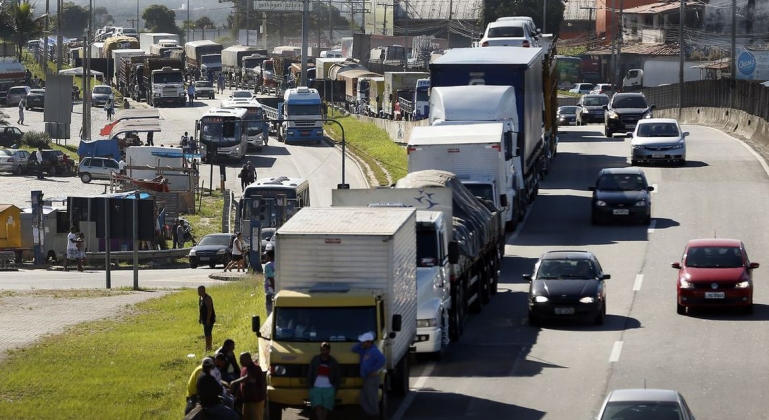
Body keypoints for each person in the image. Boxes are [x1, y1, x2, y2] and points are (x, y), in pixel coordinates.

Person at [351, 332, 386, 417]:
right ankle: (371, 414)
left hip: (372, 379)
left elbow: (382, 359)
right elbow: (354, 349)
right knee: (362, 399)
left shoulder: (374, 351)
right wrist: (361, 343)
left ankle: (375, 415)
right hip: (366, 379)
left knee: (372, 399)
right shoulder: (364, 350)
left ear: (369, 342)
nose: (362, 343)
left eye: (364, 341)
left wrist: (374, 370)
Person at [307, 342, 341, 420]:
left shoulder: (333, 361)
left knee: (326, 406)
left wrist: (335, 387)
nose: (324, 352)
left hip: (329, 387)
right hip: (316, 387)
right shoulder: (315, 360)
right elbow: (310, 373)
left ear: (329, 351)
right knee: (317, 405)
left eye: (326, 350)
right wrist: (310, 385)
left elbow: (337, 375)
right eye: (323, 350)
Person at [230, 352, 266, 420]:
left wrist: (234, 382)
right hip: (247, 400)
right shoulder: (244, 368)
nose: (240, 361)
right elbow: (242, 383)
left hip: (256, 400)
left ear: (248, 359)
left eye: (241, 360)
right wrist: (238, 393)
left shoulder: (255, 367)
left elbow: (248, 377)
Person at [198, 286, 216, 352]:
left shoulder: (207, 298)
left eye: (199, 291)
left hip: (209, 318)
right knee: (206, 333)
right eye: (198, 291)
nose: (198, 292)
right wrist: (200, 317)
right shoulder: (200, 298)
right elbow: (200, 308)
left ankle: (209, 347)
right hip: (204, 318)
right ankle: (207, 347)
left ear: (203, 291)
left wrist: (208, 319)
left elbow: (209, 309)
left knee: (208, 333)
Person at [263, 249, 275, 314]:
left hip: (270, 290)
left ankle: (269, 320)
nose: (265, 257)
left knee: (269, 309)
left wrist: (274, 288)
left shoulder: (268, 265)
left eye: (266, 256)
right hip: (278, 289)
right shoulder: (278, 264)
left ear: (269, 256)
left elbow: (271, 278)